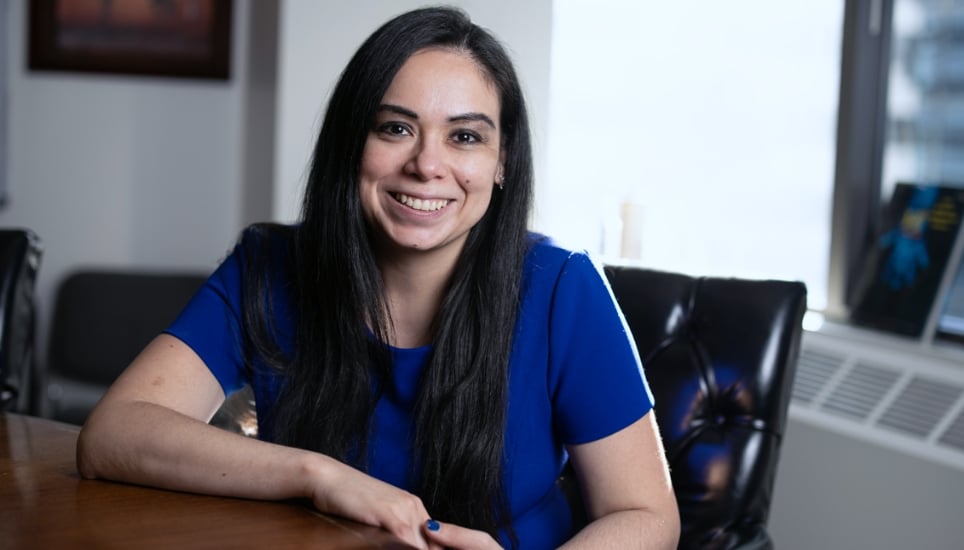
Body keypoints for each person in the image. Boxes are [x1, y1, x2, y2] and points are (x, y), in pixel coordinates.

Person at [76, 6, 680, 549]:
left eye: (465, 136)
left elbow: (647, 515)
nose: (426, 164)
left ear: (503, 163)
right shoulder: (268, 266)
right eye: (395, 128)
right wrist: (320, 476)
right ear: (351, 143)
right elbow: (112, 434)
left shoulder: (563, 288)